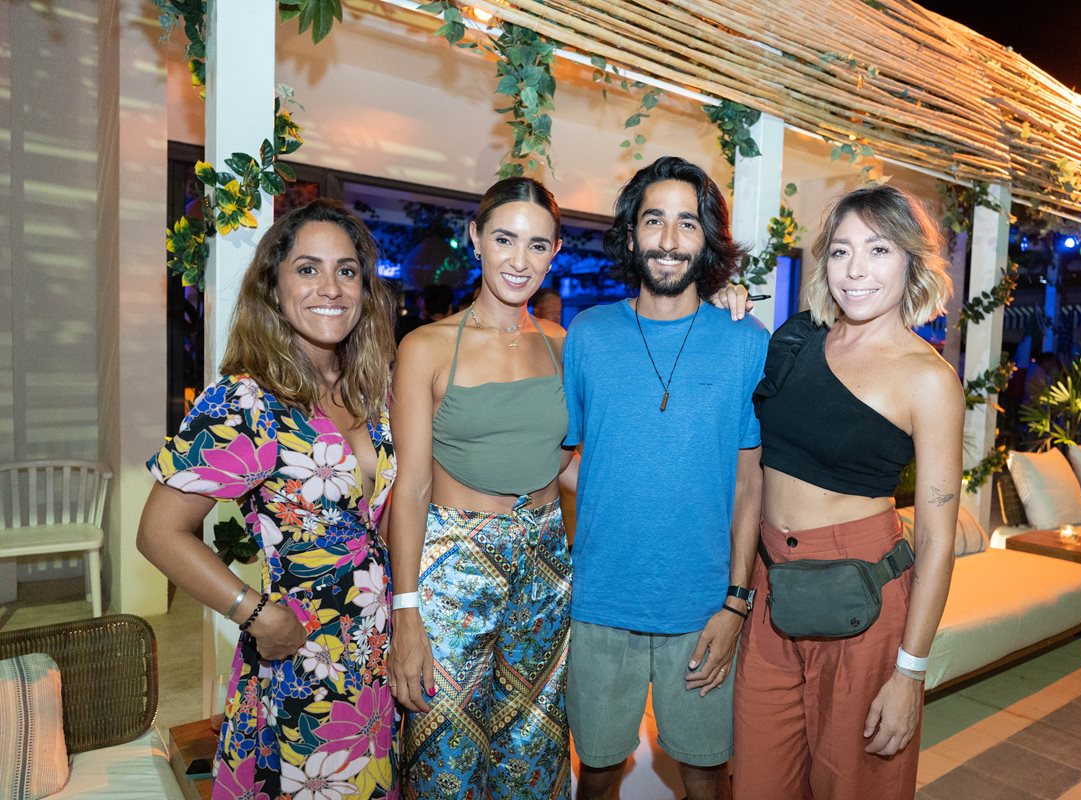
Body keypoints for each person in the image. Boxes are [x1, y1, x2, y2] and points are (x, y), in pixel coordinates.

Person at [138, 199, 399, 800]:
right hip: (303, 659)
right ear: (273, 288)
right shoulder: (246, 401)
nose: (330, 287)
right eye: (308, 269)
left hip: (378, 653)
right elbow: (158, 532)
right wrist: (254, 613)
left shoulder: (372, 390)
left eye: (347, 271)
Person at [734, 185, 963, 800]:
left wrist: (910, 674)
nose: (855, 269)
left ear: (911, 261)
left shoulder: (928, 379)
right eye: (840, 251)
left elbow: (937, 541)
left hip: (863, 596)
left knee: (854, 785)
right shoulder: (797, 339)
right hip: (771, 588)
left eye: (878, 249)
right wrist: (724, 303)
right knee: (756, 780)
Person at [562, 155, 770, 800]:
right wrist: (620, 490)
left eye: (688, 223)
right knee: (597, 773)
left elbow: (749, 486)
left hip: (703, 607)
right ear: (631, 236)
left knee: (706, 775)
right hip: (601, 601)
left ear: (707, 240)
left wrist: (736, 604)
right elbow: (564, 459)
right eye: (654, 221)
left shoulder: (745, 341)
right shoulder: (589, 335)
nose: (670, 240)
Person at [387, 177, 573, 799]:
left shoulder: (563, 347)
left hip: (546, 561)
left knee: (535, 750)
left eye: (538, 244)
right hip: (453, 565)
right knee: (444, 752)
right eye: (504, 239)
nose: (520, 260)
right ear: (475, 238)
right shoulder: (425, 346)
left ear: (555, 252)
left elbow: (565, 462)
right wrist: (406, 612)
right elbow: (411, 488)